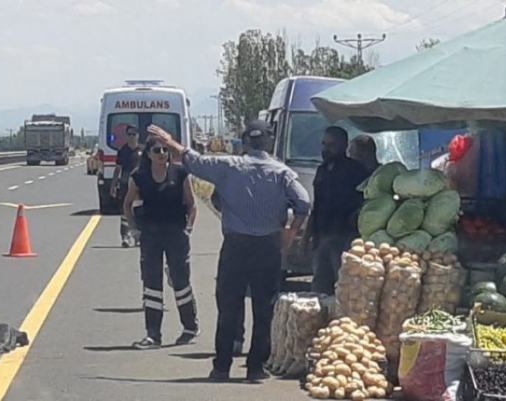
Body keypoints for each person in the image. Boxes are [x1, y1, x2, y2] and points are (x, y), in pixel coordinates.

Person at [148, 120, 311, 382]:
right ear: (269, 143)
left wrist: (170, 142)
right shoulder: (282, 173)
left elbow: (193, 160)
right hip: (268, 246)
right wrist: (290, 232)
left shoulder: (228, 167)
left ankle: (222, 366)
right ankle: (255, 367)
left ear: (245, 142)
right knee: (264, 308)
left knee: (229, 306)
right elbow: (303, 203)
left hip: (236, 246)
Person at [123, 138, 199, 350]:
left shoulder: (180, 173)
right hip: (151, 236)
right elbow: (127, 204)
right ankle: (153, 335)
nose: (162, 153)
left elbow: (192, 205)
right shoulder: (139, 177)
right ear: (148, 154)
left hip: (176, 234)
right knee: (152, 284)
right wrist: (134, 228)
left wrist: (189, 228)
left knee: (180, 280)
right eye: (157, 150)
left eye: (165, 150)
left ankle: (190, 328)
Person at [306, 126, 371, 296]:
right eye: (324, 144)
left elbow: (367, 202)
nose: (326, 149)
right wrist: (307, 236)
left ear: (344, 145)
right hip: (322, 238)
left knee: (343, 289)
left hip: (345, 239)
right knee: (320, 287)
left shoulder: (357, 171)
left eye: (331, 145)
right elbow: (317, 205)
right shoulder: (322, 170)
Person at [110, 124, 141, 248]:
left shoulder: (143, 151)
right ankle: (125, 237)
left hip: (140, 186)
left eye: (134, 134)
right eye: (129, 134)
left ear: (138, 135)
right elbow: (118, 169)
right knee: (124, 212)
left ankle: (138, 237)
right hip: (125, 184)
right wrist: (113, 185)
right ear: (126, 136)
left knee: (139, 211)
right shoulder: (122, 151)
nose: (132, 137)